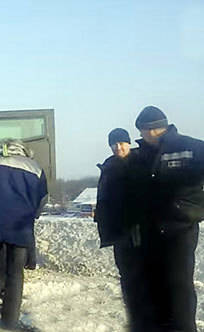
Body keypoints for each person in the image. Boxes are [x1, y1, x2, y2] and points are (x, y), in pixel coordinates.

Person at [127, 106, 204, 331]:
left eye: (145, 130)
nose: (144, 135)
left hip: (180, 228)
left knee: (179, 285)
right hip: (149, 230)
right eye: (141, 131)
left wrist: (192, 207)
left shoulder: (190, 147)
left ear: (155, 129)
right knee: (153, 283)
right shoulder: (139, 155)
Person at [0, 140, 48, 330]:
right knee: (15, 273)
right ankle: (9, 320)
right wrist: (32, 213)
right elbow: (43, 199)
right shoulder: (35, 167)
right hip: (20, 227)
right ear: (23, 150)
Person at [94, 128, 151, 331]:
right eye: (114, 144)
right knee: (126, 275)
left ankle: (147, 318)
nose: (118, 148)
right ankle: (134, 317)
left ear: (129, 143)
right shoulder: (109, 166)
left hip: (141, 231)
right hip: (119, 232)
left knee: (144, 275)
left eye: (122, 143)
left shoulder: (142, 162)